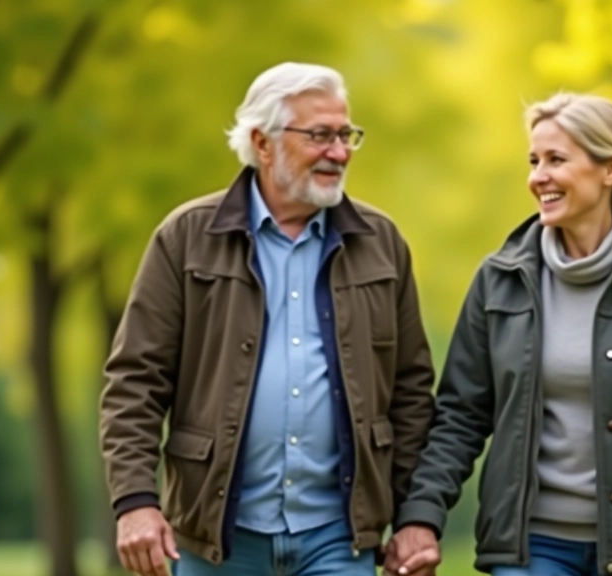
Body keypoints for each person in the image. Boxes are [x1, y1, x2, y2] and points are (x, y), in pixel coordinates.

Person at [384, 93, 612, 576]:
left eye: (556, 159)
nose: (539, 177)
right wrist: (421, 515)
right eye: (534, 161)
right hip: (531, 548)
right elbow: (461, 415)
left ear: (611, 169)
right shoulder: (500, 280)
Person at [99, 62, 435, 576]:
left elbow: (412, 391)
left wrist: (415, 516)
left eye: (345, 135)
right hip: (218, 541)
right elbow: (134, 383)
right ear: (262, 143)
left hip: (338, 541)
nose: (339, 152)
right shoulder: (186, 237)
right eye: (320, 136)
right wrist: (135, 501)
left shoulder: (381, 242)